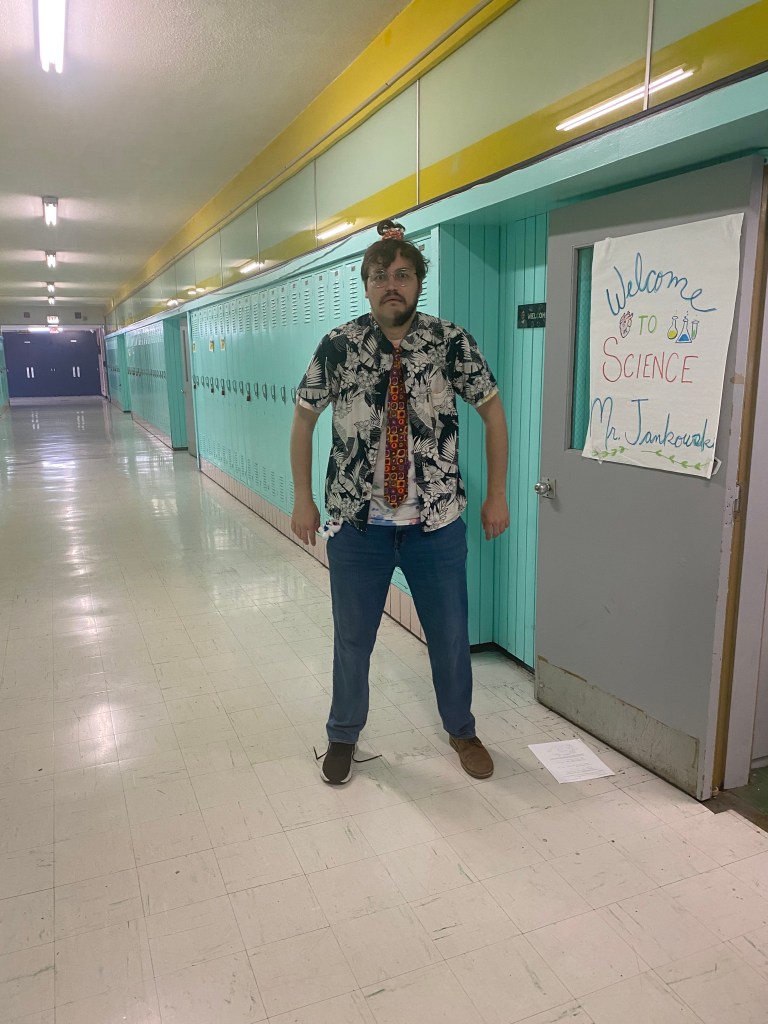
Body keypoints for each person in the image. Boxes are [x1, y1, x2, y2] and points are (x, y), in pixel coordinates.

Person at [290, 219, 510, 785]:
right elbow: (304, 419)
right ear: (366, 285)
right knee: (352, 639)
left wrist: (497, 494)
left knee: (450, 636)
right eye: (381, 276)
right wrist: (302, 499)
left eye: (404, 274)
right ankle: (343, 735)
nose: (393, 284)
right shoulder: (339, 346)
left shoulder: (450, 342)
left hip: (436, 526)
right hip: (357, 527)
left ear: (419, 283)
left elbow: (492, 413)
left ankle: (462, 729)